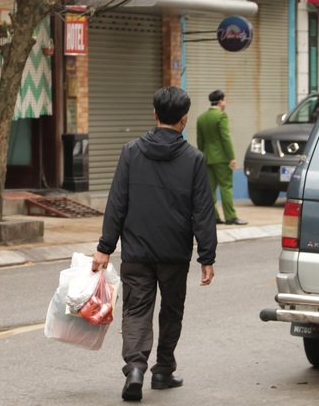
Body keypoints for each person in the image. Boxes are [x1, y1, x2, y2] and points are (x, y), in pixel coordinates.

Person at [92, 86, 217, 402]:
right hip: (174, 253)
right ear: (185, 119)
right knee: (172, 311)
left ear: (155, 114)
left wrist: (105, 247)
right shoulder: (194, 159)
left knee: (136, 310)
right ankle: (162, 371)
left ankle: (135, 368)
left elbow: (117, 202)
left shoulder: (131, 151)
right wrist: (207, 256)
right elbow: (202, 211)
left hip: (136, 252)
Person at [196, 89, 248, 225]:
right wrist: (231, 157)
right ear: (220, 101)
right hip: (221, 158)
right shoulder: (221, 116)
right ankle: (230, 217)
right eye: (224, 100)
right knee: (226, 187)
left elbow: (199, 140)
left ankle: (214, 217)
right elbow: (225, 138)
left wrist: (202, 156)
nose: (225, 103)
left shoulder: (201, 118)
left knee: (210, 189)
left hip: (207, 158)